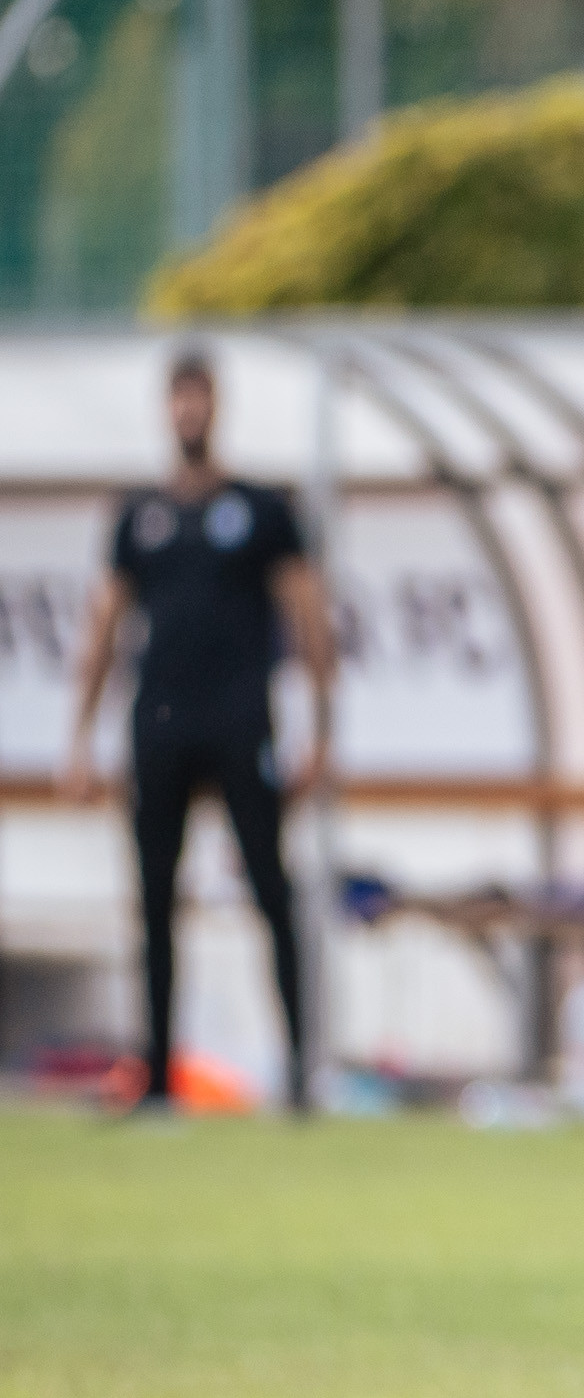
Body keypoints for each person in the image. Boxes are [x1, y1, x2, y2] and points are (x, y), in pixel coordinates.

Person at [57, 343, 333, 1116]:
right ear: (166, 408)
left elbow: (309, 618)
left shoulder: (263, 511)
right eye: (179, 398)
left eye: (200, 397)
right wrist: (79, 740)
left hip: (241, 720)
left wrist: (320, 730)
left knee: (269, 890)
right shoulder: (138, 515)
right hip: (161, 721)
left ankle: (300, 1072)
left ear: (216, 405)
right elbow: (104, 627)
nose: (190, 411)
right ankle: (157, 1078)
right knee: (153, 899)